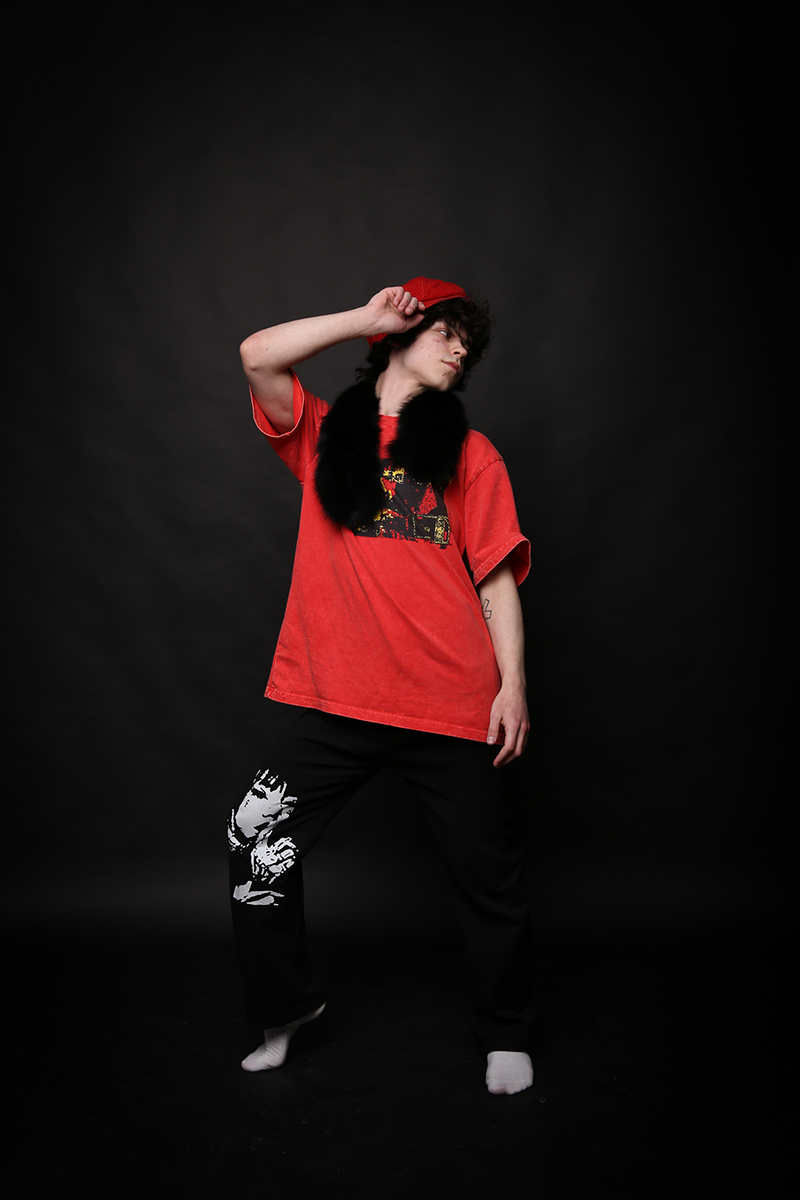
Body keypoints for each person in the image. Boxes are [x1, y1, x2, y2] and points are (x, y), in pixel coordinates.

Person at [231, 277, 534, 1095]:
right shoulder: (323, 433)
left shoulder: (472, 453)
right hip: (339, 699)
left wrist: (513, 687)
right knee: (253, 840)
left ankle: (506, 1032)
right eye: (446, 332)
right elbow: (257, 354)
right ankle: (286, 1007)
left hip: (450, 699)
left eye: (469, 343)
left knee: (489, 876)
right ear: (399, 333)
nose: (461, 350)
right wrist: (364, 319)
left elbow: (496, 577)